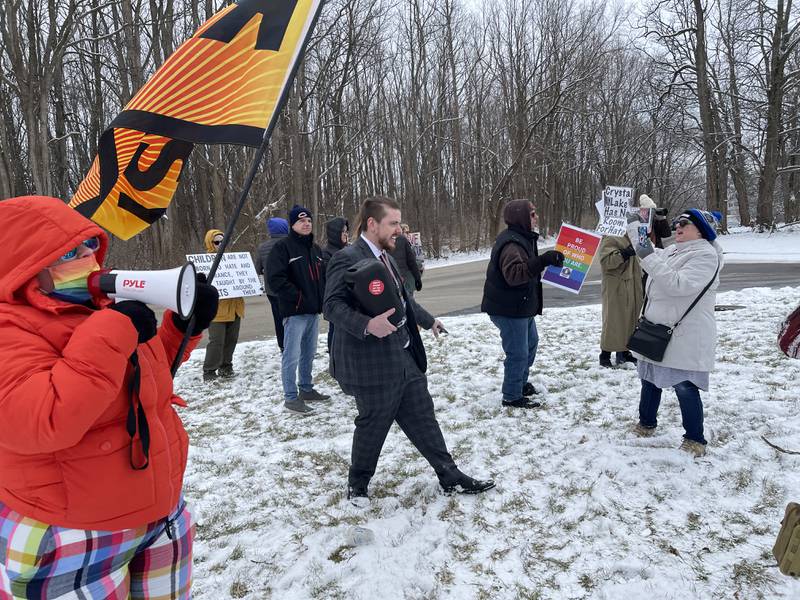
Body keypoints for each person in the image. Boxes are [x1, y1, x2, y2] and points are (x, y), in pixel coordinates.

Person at [0, 195, 218, 598]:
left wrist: (182, 327)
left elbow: (145, 381)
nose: (87, 257)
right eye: (68, 251)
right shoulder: (10, 329)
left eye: (88, 246)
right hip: (73, 532)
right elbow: (45, 419)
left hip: (159, 513)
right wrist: (111, 331)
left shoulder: (102, 307)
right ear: (24, 266)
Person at [324, 196, 495, 505]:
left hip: (403, 356)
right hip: (371, 364)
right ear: (372, 223)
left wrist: (429, 321)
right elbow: (331, 306)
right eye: (392, 224)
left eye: (399, 224)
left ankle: (450, 475)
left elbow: (403, 301)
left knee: (423, 417)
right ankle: (358, 485)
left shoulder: (387, 257)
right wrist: (366, 325)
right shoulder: (347, 257)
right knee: (373, 425)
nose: (398, 231)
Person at [626, 208, 723, 457]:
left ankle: (694, 439)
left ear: (701, 231)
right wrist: (636, 230)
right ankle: (646, 424)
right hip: (657, 330)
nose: (677, 227)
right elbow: (650, 256)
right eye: (677, 223)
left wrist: (648, 254)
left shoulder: (706, 256)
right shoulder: (673, 251)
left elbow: (677, 284)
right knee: (649, 379)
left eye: (684, 224)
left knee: (684, 386)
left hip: (685, 335)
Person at [481, 199, 564, 409]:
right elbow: (515, 275)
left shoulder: (523, 238)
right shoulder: (511, 244)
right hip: (508, 309)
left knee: (530, 345)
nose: (536, 218)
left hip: (521, 307)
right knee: (518, 353)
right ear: (521, 217)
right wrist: (543, 261)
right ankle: (511, 396)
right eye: (533, 214)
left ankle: (520, 383)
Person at [267, 204, 330, 414]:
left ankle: (306, 388)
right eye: (301, 221)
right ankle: (291, 398)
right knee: (291, 355)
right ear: (292, 224)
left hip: (313, 311)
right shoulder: (282, 248)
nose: (306, 224)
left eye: (309, 221)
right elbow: (275, 280)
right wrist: (298, 296)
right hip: (294, 312)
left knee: (309, 353)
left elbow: (323, 277)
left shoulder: (315, 249)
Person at [202, 229, 244, 381]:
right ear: (210, 243)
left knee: (231, 340)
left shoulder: (233, 259)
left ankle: (226, 367)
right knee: (217, 342)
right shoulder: (205, 261)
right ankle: (209, 371)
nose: (221, 244)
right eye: (217, 242)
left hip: (235, 308)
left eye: (223, 241)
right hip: (217, 310)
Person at [598, 235, 642, 368]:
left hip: (632, 283)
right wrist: (625, 253)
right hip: (616, 286)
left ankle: (623, 352)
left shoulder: (633, 234)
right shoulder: (611, 235)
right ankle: (605, 354)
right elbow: (606, 262)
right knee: (613, 320)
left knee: (629, 319)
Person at [256, 217, 289, 352]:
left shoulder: (262, 247)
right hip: (291, 288)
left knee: (278, 318)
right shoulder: (292, 244)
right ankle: (295, 344)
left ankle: (282, 345)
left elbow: (257, 269)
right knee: (294, 318)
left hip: (272, 290)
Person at [321, 216, 349, 352]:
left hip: (349, 296)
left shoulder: (348, 250)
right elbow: (329, 276)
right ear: (335, 233)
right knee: (335, 327)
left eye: (346, 231)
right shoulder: (326, 253)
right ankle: (333, 352)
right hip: (335, 297)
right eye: (343, 232)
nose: (346, 234)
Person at [390, 222, 423, 297]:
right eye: (406, 232)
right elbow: (412, 262)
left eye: (409, 232)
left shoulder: (385, 240)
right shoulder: (402, 240)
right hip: (404, 278)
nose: (408, 234)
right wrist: (417, 277)